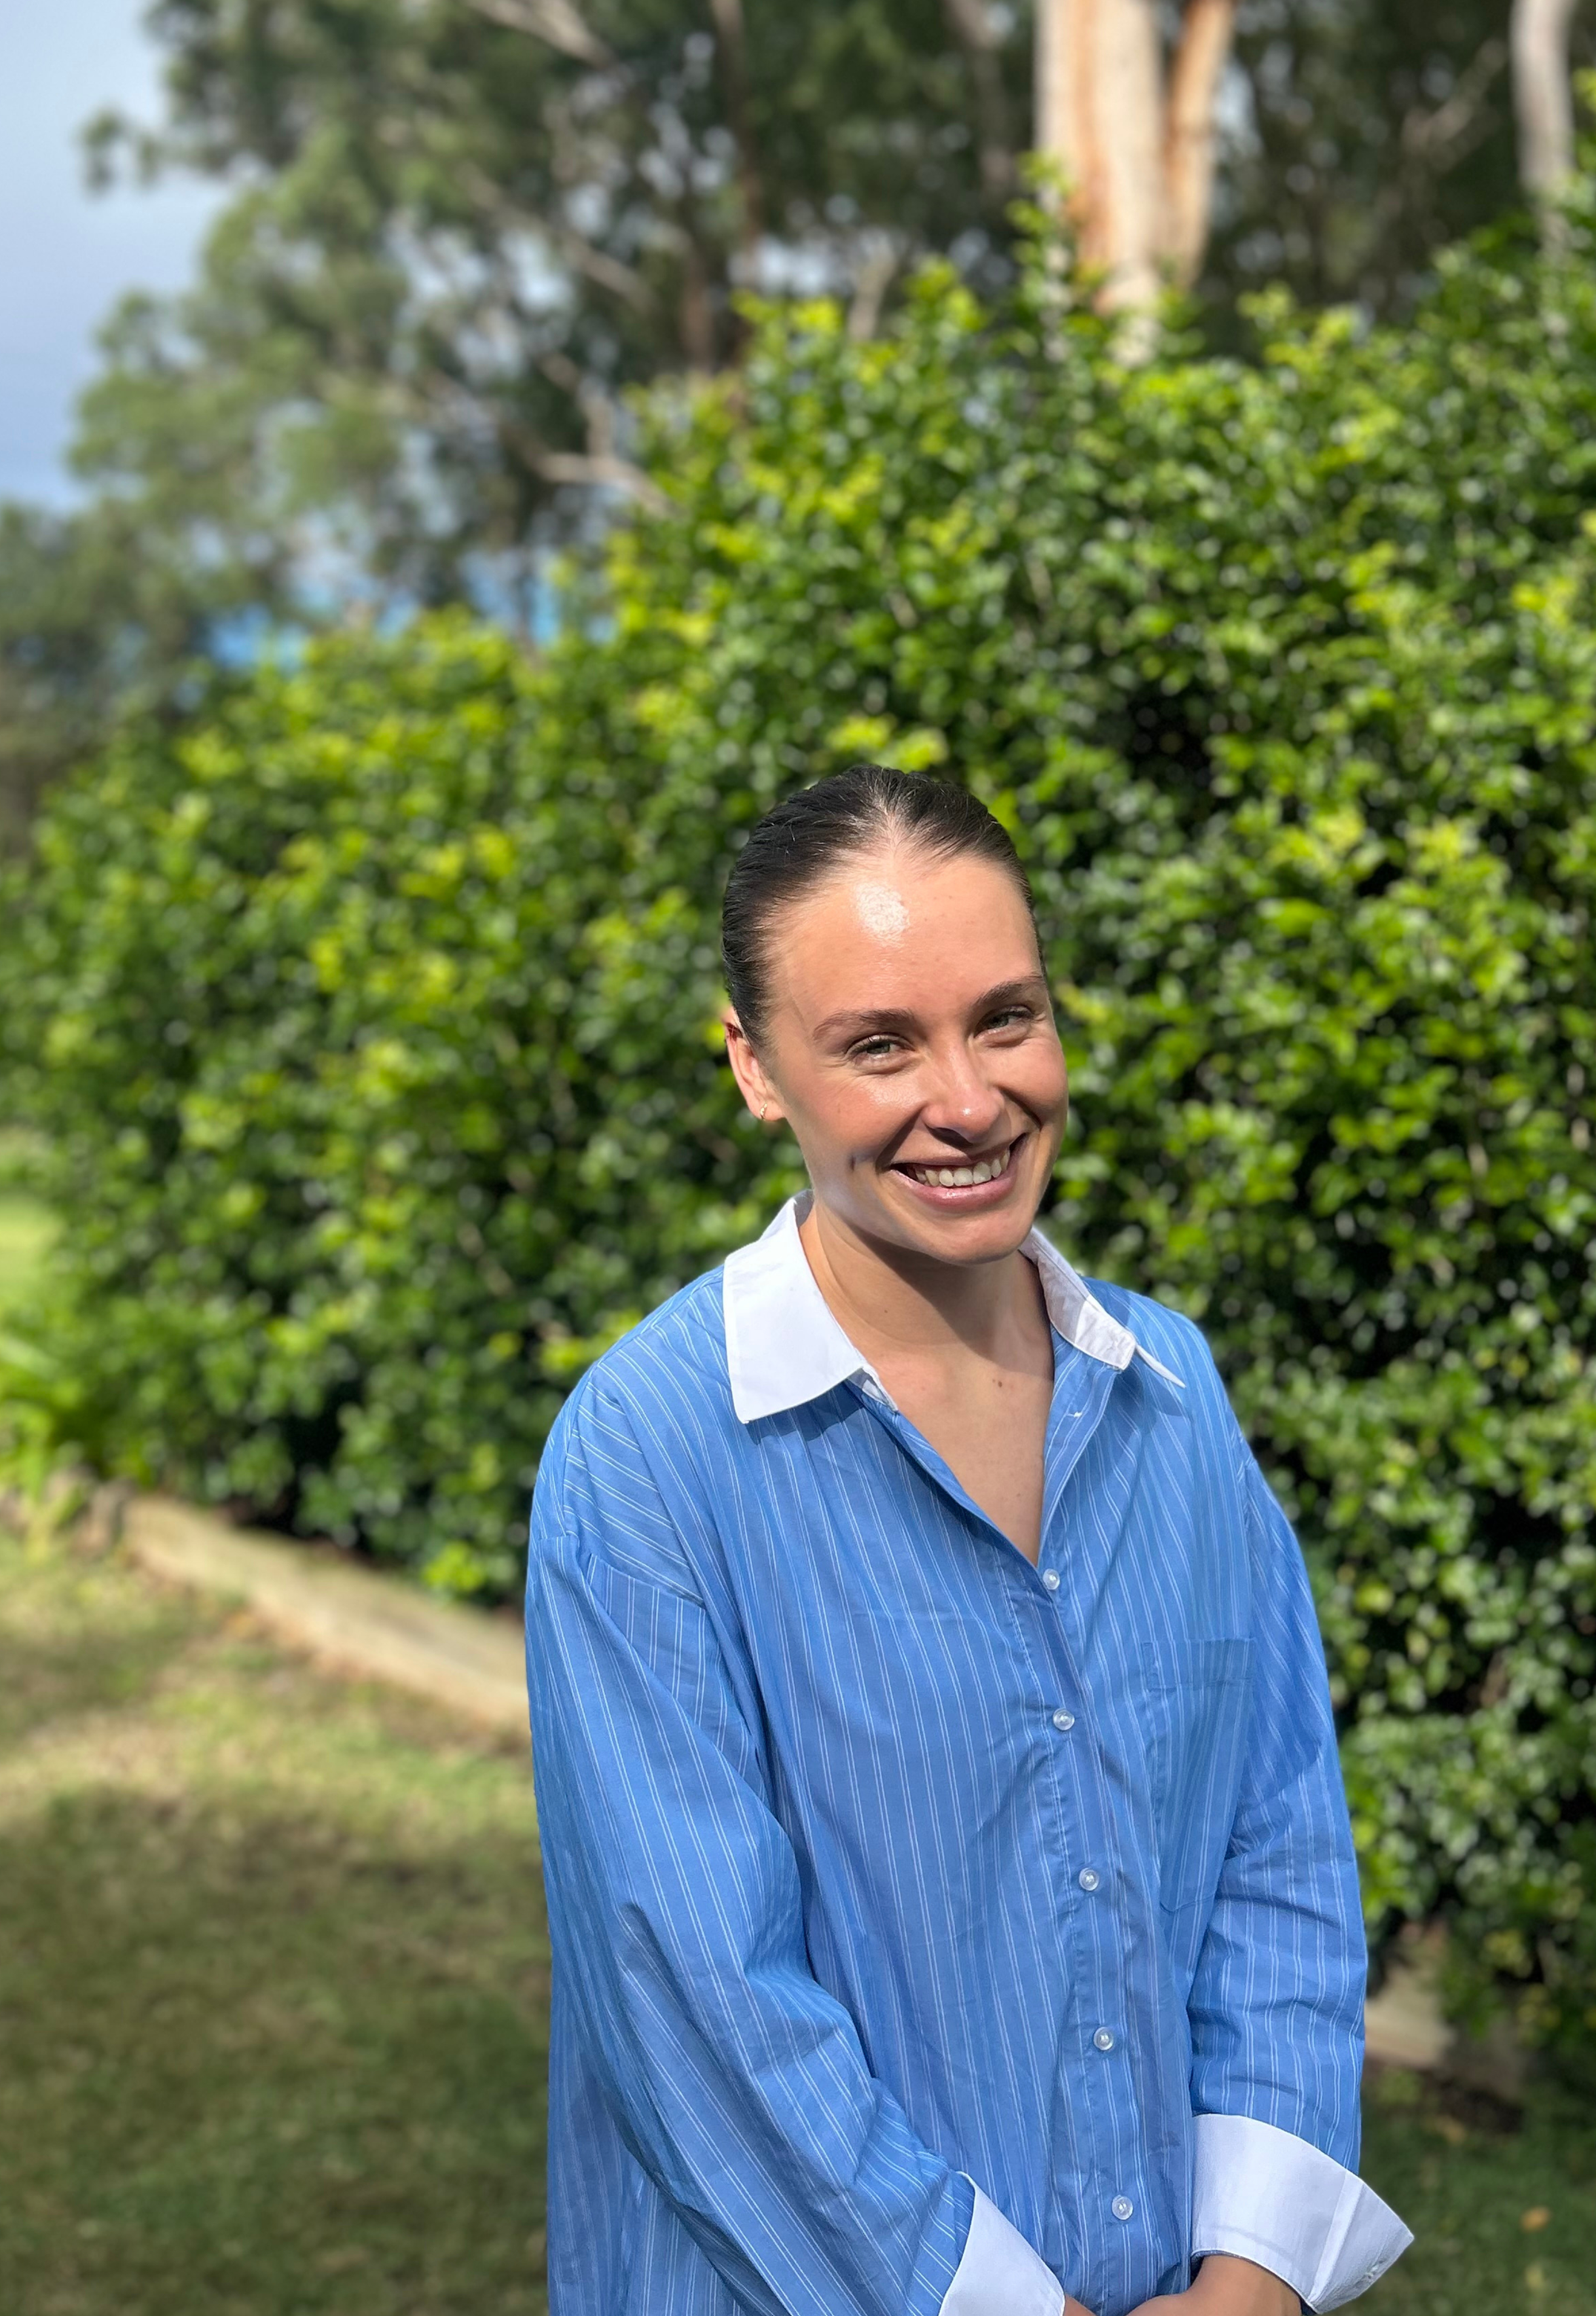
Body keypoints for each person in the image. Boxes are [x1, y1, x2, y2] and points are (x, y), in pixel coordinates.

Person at [525, 765, 1412, 2316]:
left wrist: (1252, 2276)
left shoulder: (1171, 1397)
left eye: (1003, 1016)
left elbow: (1275, 1856)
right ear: (752, 1066)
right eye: (878, 1042)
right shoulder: (647, 1456)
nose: (967, 1094)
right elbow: (697, 2011)